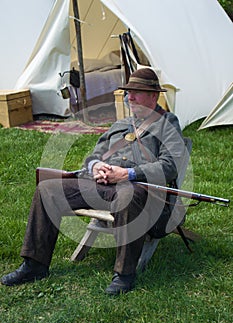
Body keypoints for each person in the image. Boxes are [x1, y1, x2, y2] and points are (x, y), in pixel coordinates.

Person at [1, 68, 186, 295]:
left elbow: (169, 166)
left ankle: (124, 274)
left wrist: (127, 174)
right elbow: (93, 156)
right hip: (101, 186)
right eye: (129, 92)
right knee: (47, 190)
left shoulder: (167, 123)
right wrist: (96, 166)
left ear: (154, 96)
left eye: (137, 92)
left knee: (129, 196)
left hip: (138, 189)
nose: (130, 97)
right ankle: (35, 265)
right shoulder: (121, 124)